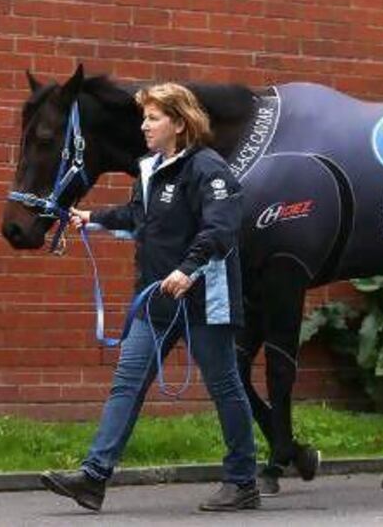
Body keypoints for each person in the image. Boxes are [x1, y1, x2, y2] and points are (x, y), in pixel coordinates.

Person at [40, 82, 259, 512]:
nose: (144, 126)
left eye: (153, 118)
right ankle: (94, 477)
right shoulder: (150, 168)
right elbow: (138, 217)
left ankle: (242, 479)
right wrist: (94, 218)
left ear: (179, 123)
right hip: (156, 299)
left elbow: (220, 229)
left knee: (225, 387)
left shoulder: (207, 169)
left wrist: (187, 269)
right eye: (144, 117)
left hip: (203, 300)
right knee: (126, 383)